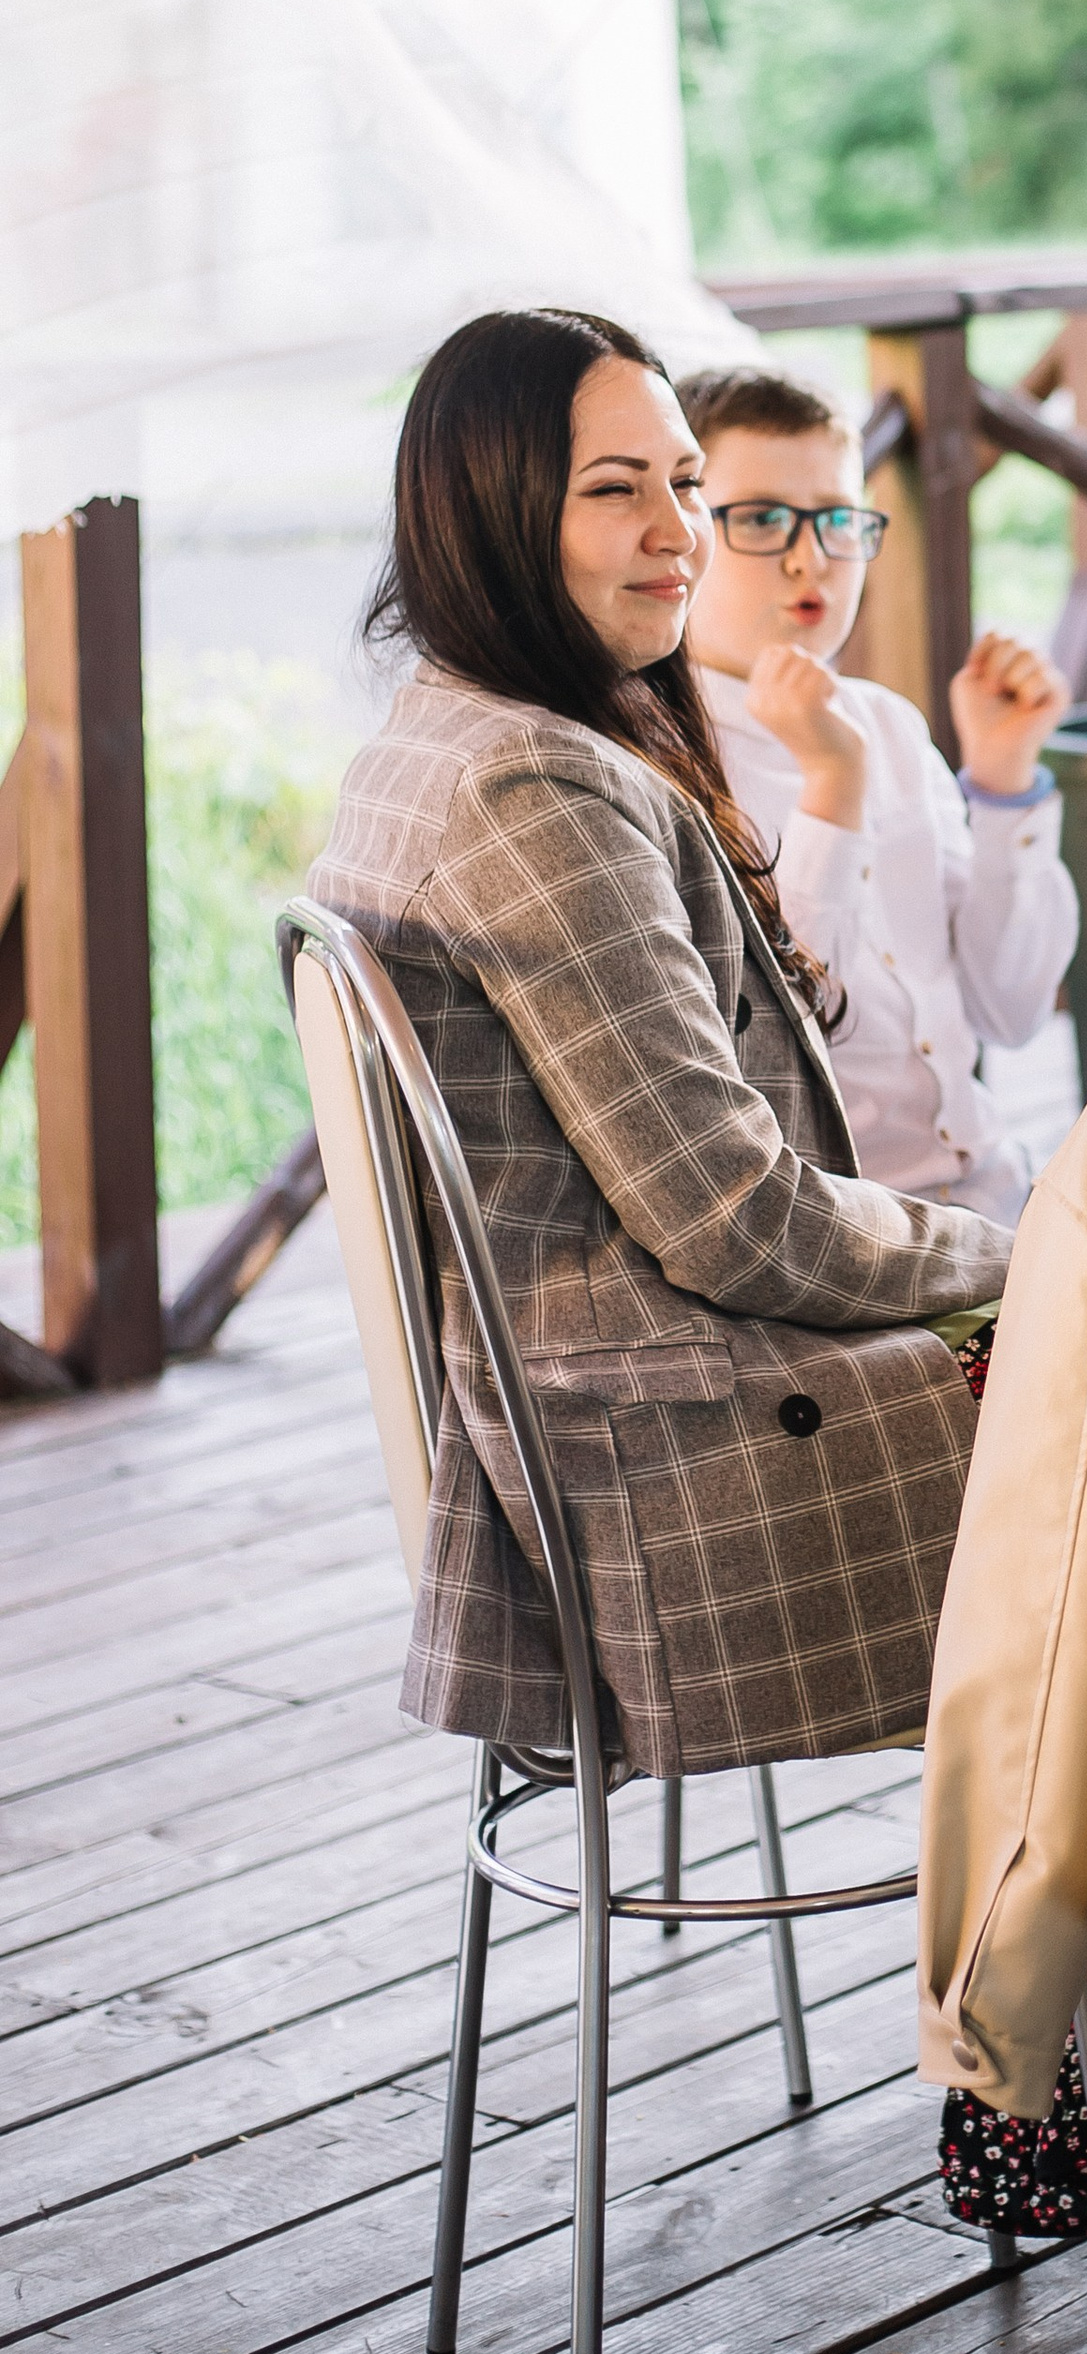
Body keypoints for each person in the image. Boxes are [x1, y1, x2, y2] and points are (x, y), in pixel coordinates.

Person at [310, 307, 1010, 1779]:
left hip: (599, 1444)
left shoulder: (446, 728)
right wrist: (1034, 1253)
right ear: (496, 513)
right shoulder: (534, 785)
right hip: (679, 1509)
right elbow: (737, 1223)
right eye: (615, 489)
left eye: (687, 484)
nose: (679, 531)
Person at [676, 363, 1076, 1221]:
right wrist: (833, 788)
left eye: (837, 519)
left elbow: (1012, 1012)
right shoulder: (662, 766)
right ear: (681, 531)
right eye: (761, 518)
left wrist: (1003, 786)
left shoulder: (887, 725)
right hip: (850, 1251)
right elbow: (777, 1055)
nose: (810, 558)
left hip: (997, 1203)